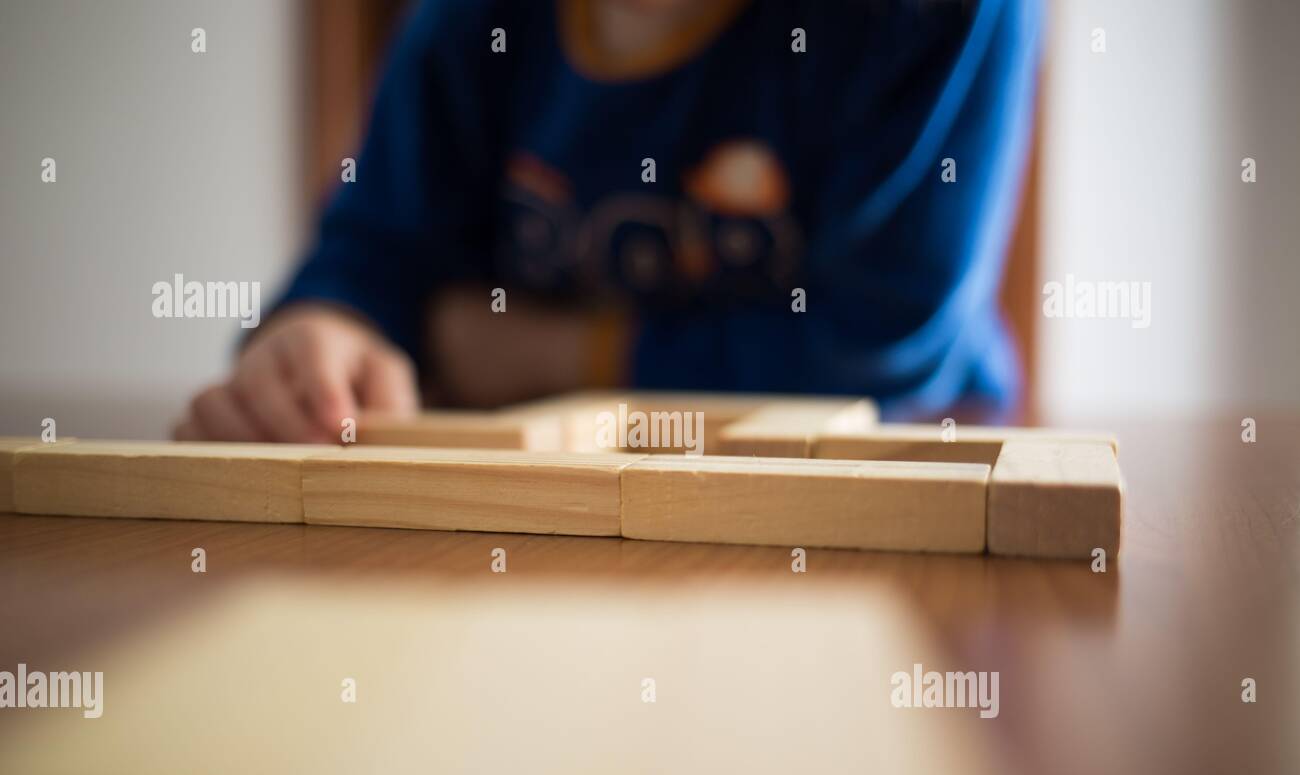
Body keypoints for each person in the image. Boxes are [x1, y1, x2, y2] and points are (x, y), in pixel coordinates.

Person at [174, 0, 1041, 444]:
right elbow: (375, 247)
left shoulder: (930, 15)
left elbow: (882, 344)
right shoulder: (469, 20)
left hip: (905, 454)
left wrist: (551, 354)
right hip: (534, 502)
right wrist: (322, 326)